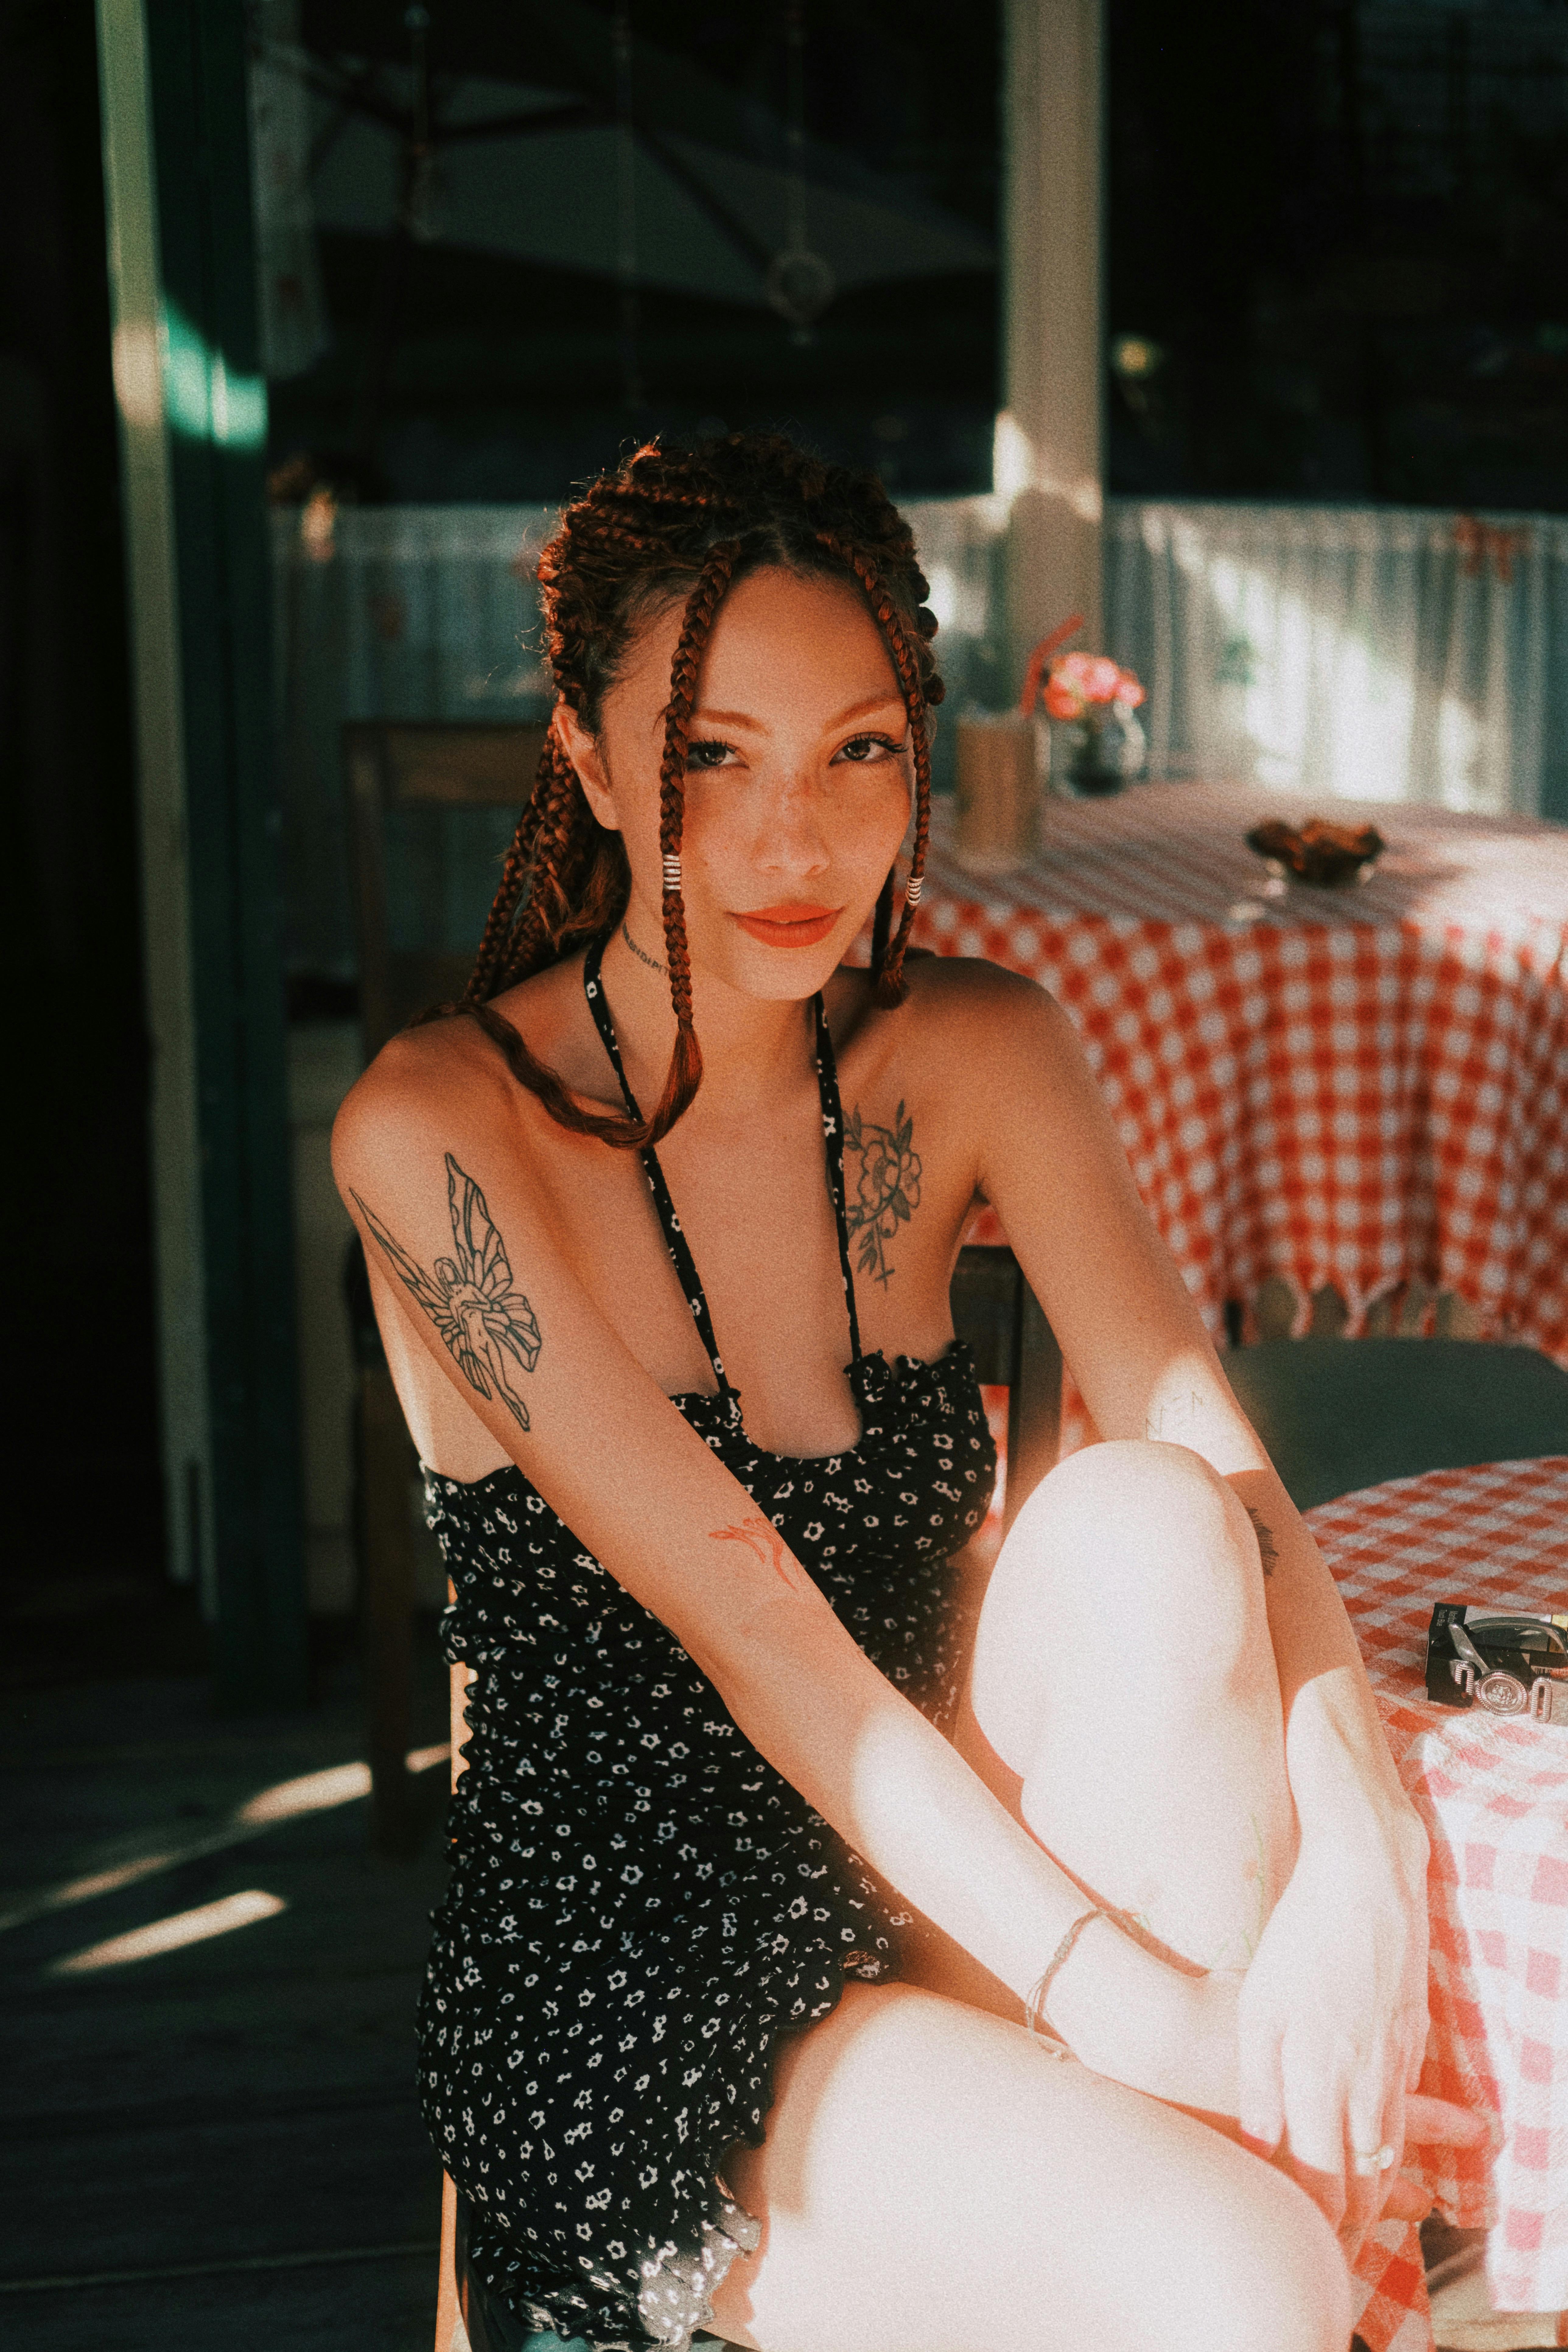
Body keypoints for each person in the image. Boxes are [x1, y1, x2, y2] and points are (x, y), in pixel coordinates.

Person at [333, 433, 1479, 2352]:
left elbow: (1220, 1455)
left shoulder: (980, 1049)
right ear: (597, 763)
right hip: (650, 1972)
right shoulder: (438, 1134)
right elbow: (775, 1649)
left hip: (958, 1867)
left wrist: (1363, 1879)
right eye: (717, 758)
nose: (800, 841)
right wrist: (1193, 2043)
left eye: (858, 752)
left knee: (1155, 1522)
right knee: (1248, 2272)